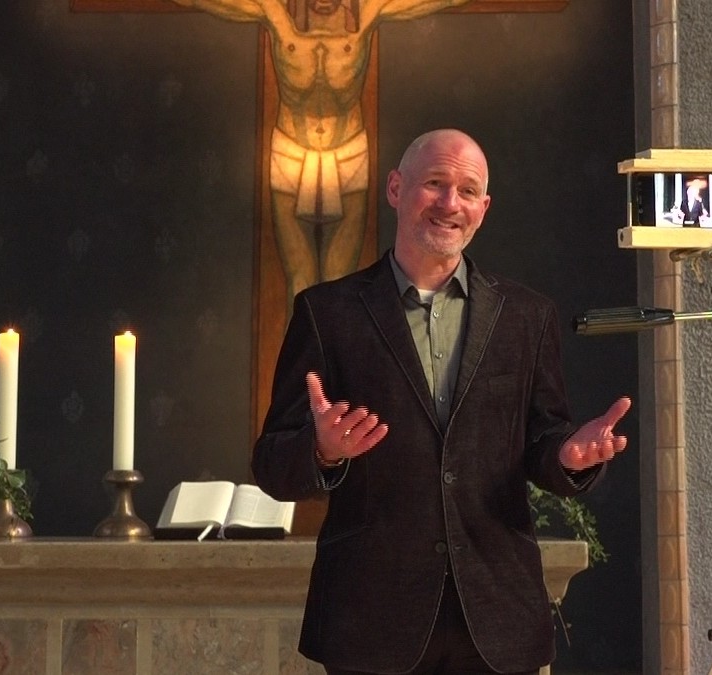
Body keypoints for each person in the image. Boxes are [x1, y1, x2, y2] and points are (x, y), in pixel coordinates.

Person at [252, 129, 633, 675]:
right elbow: (271, 463)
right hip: (371, 618)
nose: (450, 203)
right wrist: (321, 449)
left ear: (484, 208)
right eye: (434, 183)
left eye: (467, 190)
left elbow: (542, 440)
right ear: (395, 188)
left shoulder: (527, 316)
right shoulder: (326, 313)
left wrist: (568, 458)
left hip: (498, 616)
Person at [167, 0, 479, 302]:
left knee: (343, 277)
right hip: (290, 150)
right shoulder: (276, 14)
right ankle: (304, 341)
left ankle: (341, 341)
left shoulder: (367, 12)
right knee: (298, 277)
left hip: (349, 151)